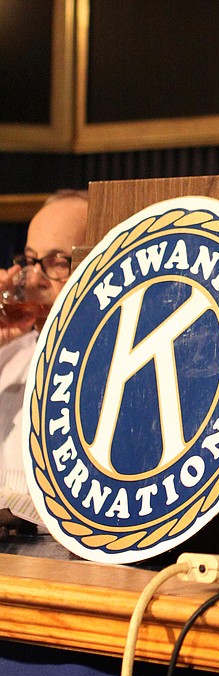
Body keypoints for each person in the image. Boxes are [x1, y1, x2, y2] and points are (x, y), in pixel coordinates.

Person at [0, 189, 88, 504]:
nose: (34, 279)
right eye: (30, 260)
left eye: (55, 263)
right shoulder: (9, 355)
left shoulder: (114, 366)